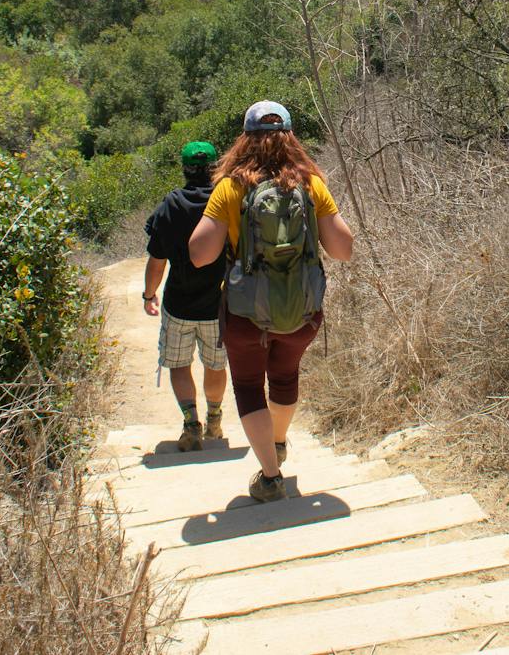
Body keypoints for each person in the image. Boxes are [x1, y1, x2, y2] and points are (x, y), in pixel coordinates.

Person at [189, 101, 353, 502]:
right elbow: (344, 248)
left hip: (246, 314)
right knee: (285, 376)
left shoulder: (231, 187)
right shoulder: (311, 185)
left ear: (245, 139)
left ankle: (270, 474)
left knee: (248, 386)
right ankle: (277, 441)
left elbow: (199, 253)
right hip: (301, 311)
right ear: (291, 138)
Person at [144, 141, 228, 452]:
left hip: (179, 304)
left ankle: (191, 422)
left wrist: (148, 294)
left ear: (185, 168)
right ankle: (215, 418)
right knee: (216, 366)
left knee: (179, 364)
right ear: (215, 167)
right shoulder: (227, 202)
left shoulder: (171, 205)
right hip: (218, 305)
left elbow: (157, 260)